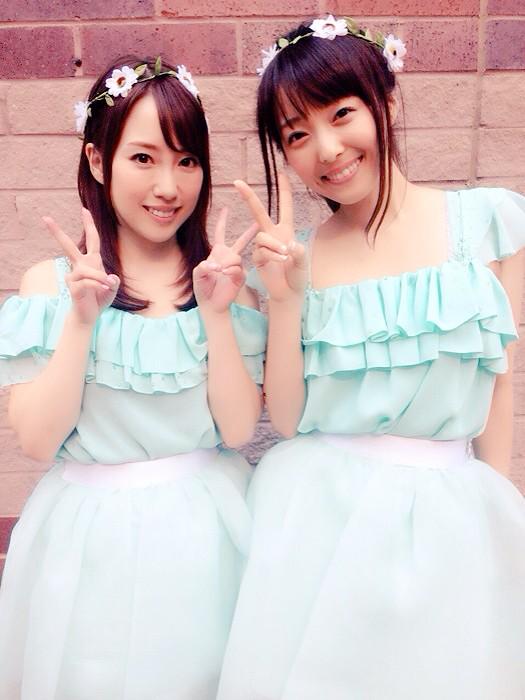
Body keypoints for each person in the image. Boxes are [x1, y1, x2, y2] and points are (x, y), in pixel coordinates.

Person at [217, 15, 525, 700]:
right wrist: (284, 298)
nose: (327, 149)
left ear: (383, 99)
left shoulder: (486, 224)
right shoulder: (299, 256)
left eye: (340, 113)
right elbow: (288, 420)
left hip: (447, 512)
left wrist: (493, 514)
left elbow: (500, 382)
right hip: (321, 519)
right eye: (297, 135)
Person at [0, 56, 266, 699]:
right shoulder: (48, 286)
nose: (168, 186)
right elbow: (36, 440)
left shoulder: (225, 287)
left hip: (207, 532)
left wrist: (217, 315)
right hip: (90, 537)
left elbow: (237, 430)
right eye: (143, 158)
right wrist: (80, 322)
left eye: (186, 160)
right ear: (98, 161)